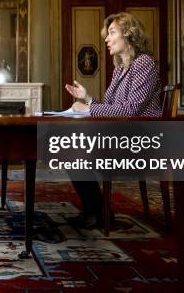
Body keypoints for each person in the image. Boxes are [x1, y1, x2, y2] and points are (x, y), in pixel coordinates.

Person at [64, 12, 162, 227]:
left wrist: (89, 107)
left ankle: (98, 211)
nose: (106, 39)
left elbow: (130, 110)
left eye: (111, 33)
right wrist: (87, 99)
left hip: (141, 137)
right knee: (67, 145)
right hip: (123, 131)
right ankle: (98, 210)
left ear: (129, 35)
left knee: (73, 146)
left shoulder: (144, 63)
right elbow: (110, 107)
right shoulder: (120, 69)